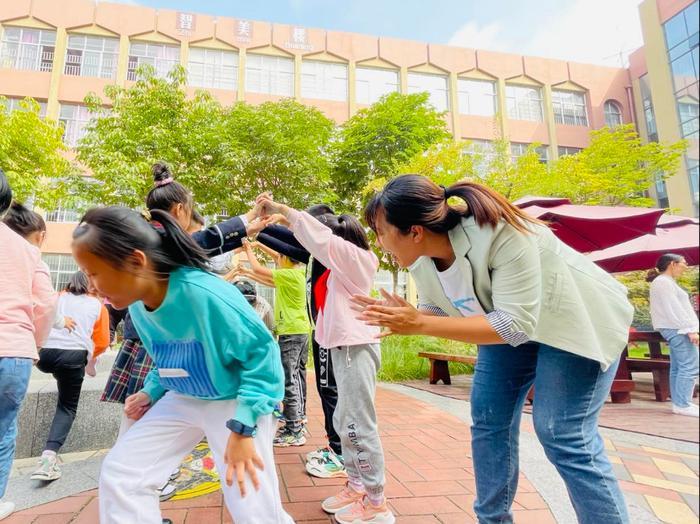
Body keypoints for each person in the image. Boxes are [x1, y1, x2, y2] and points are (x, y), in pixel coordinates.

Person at [353, 175, 634, 524]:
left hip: (575, 322)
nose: (378, 242)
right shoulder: (422, 261)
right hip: (509, 323)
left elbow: (513, 323)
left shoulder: (501, 234)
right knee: (488, 419)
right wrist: (404, 316)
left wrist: (419, 323)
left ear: (415, 231)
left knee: (561, 432)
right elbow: (439, 310)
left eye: (381, 231)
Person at [73, 206, 292, 524]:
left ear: (136, 261)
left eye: (93, 273)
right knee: (123, 473)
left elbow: (263, 355)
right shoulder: (139, 307)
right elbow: (170, 358)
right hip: (185, 396)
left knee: (249, 498)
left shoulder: (205, 295)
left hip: (236, 397)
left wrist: (244, 427)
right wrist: (150, 391)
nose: (90, 285)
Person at [256, 195, 394, 524]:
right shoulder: (337, 271)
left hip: (356, 348)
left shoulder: (359, 260)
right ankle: (357, 485)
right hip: (343, 349)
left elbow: (319, 239)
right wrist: (266, 227)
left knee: (359, 425)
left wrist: (283, 211)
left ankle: (377, 502)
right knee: (344, 422)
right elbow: (304, 243)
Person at [250, 206, 346, 479]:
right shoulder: (310, 260)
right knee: (317, 385)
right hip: (315, 330)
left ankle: (331, 447)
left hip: (318, 332)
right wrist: (259, 233)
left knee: (318, 387)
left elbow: (281, 248)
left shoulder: (326, 255)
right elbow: (282, 247)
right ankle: (327, 441)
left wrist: (257, 233)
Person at [0, 169, 57, 521]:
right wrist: (32, 344)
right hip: (14, 349)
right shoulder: (26, 250)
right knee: (3, 430)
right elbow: (46, 303)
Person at [30, 271, 110, 481]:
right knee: (66, 407)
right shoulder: (97, 306)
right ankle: (48, 459)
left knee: (61, 374)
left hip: (44, 354)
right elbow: (102, 341)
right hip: (73, 357)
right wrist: (90, 357)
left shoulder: (57, 297)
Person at [242, 239, 310, 447]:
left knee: (288, 380)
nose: (276, 259)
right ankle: (298, 419)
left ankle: (294, 430)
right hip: (299, 330)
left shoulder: (289, 274)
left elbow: (258, 269)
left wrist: (248, 248)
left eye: (279, 256)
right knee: (296, 377)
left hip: (291, 333)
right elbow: (273, 262)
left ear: (286, 259)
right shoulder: (295, 273)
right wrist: (258, 246)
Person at [3, 202, 76, 333]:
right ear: (40, 236)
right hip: (14, 334)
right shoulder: (36, 263)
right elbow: (46, 305)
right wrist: (61, 322)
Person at [648, 254, 699, 417]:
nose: (686, 266)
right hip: (677, 329)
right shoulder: (663, 282)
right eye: (684, 263)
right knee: (691, 365)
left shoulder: (665, 282)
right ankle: (683, 404)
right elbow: (674, 308)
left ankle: (680, 403)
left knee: (679, 366)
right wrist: (689, 329)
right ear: (672, 264)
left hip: (675, 328)